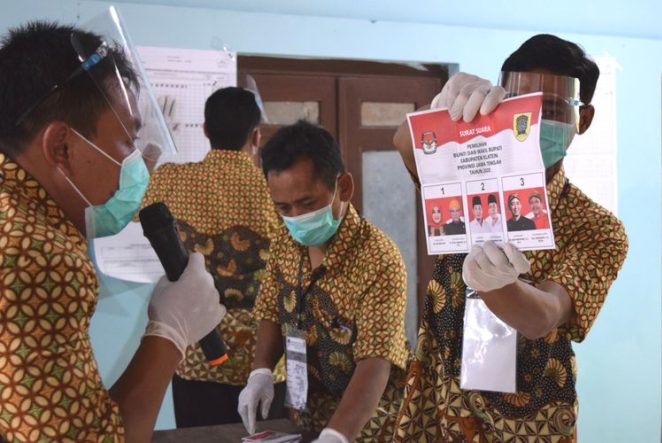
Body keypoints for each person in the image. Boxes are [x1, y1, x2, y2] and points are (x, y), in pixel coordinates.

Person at [392, 34, 628, 441]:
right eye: (520, 106)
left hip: (523, 424)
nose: (531, 120)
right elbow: (405, 145)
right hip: (438, 406)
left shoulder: (596, 228)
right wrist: (441, 113)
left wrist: (498, 285)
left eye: (550, 109)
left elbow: (543, 316)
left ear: (583, 119)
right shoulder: (470, 173)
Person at [0, 20, 224, 441]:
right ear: (61, 147)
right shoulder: (36, 256)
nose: (138, 165)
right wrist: (170, 333)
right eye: (127, 143)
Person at [238, 121, 408, 442]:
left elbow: (376, 359)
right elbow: (272, 311)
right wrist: (260, 371)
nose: (297, 218)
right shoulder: (285, 242)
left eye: (308, 203)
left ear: (343, 187)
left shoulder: (378, 258)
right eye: (284, 207)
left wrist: (337, 435)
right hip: (305, 416)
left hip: (368, 426)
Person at [140, 87, 286, 428]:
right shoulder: (274, 188)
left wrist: (153, 145)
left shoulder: (173, 180)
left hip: (195, 354)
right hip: (264, 361)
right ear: (256, 135)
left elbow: (129, 203)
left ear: (205, 130)